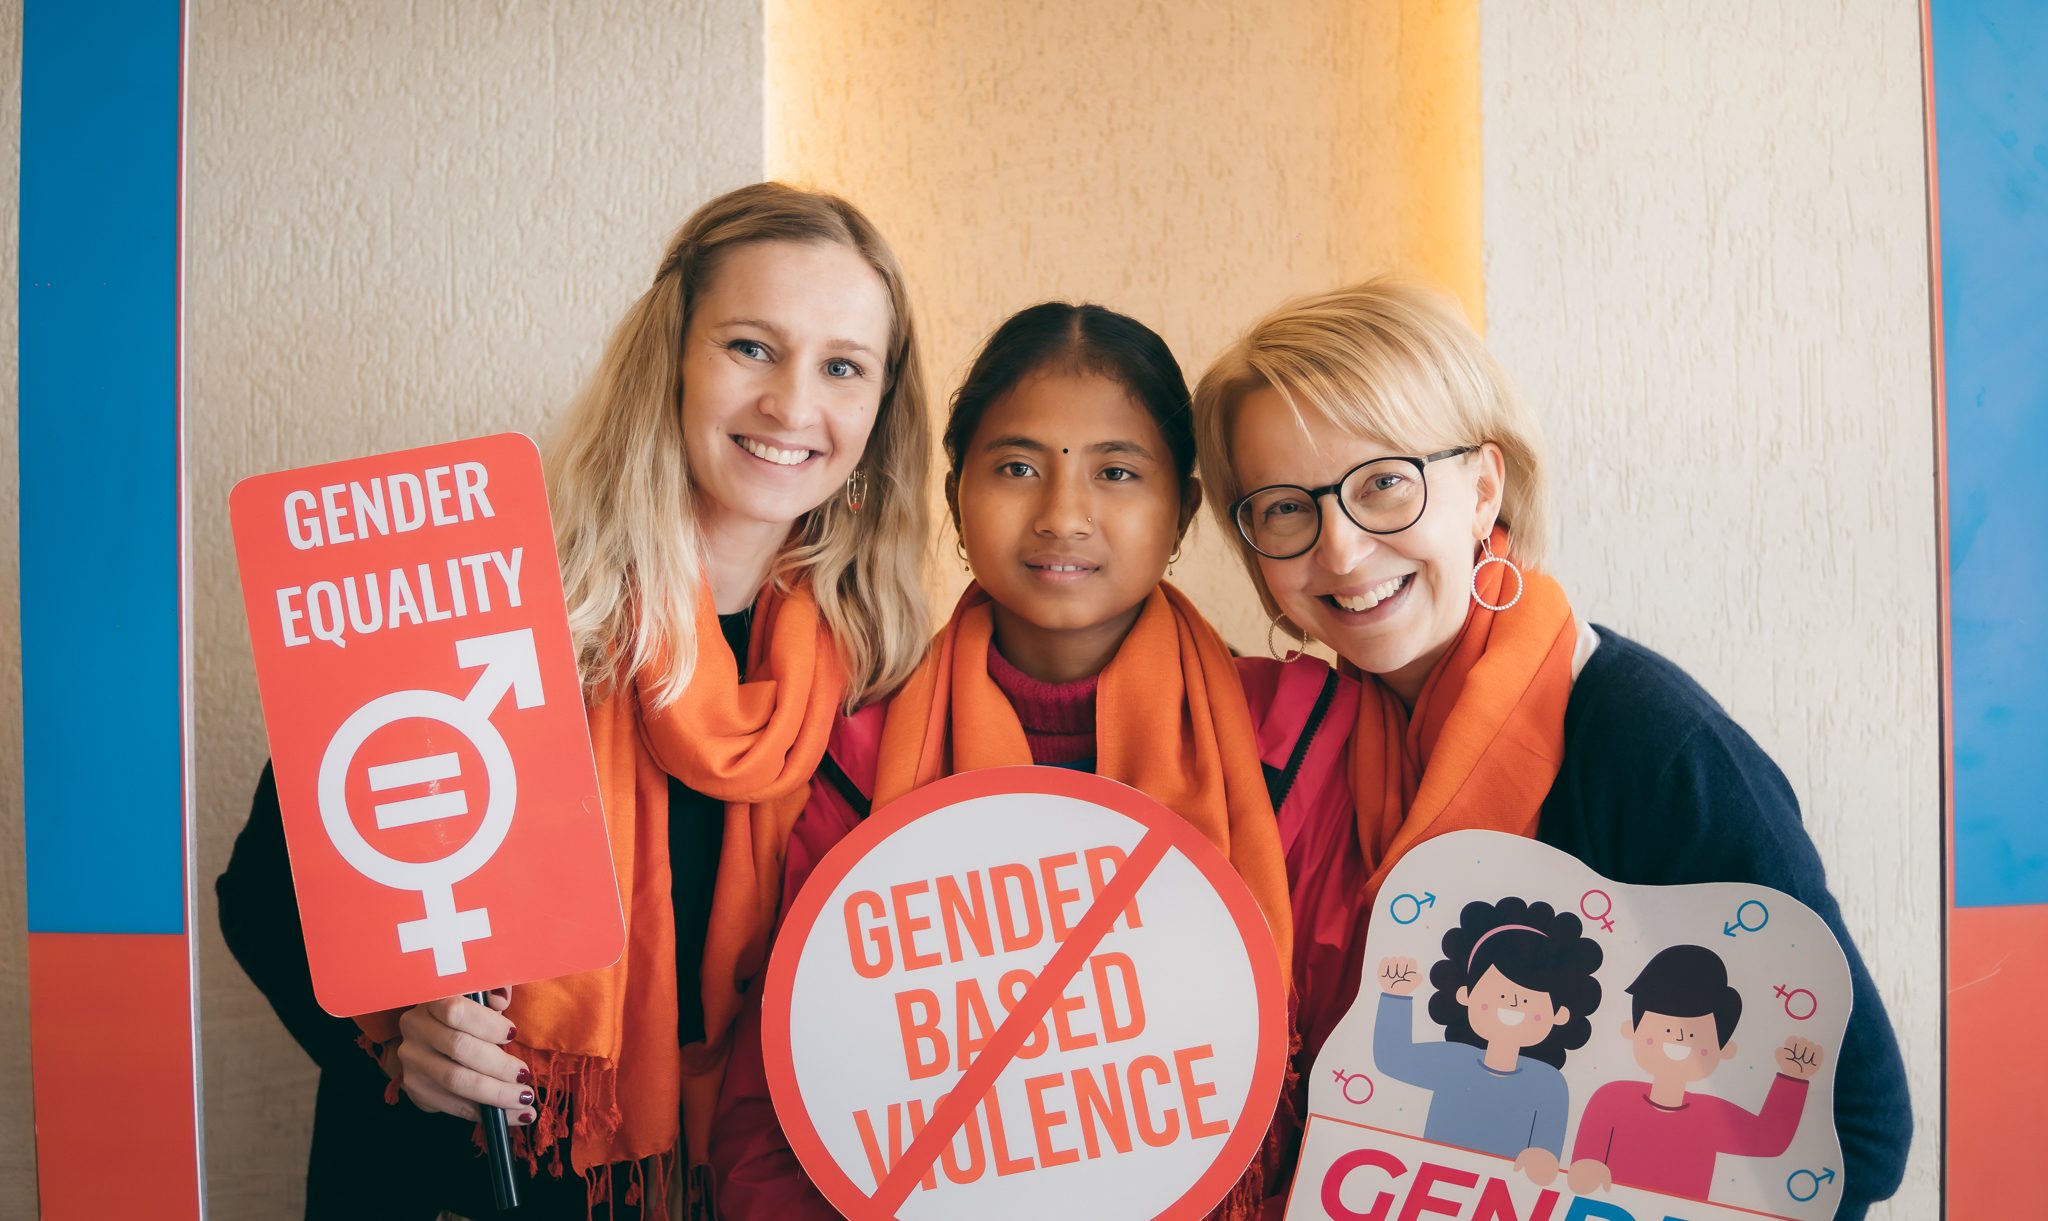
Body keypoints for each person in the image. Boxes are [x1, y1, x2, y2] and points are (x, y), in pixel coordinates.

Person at [216, 182, 934, 1219]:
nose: (791, 404)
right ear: (672, 357)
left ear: (878, 405)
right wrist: (393, 1040)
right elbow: (265, 896)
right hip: (464, 1184)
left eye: (840, 366)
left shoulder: (884, 670)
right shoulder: (488, 601)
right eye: (749, 347)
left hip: (747, 1188)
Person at [1190, 277, 1911, 1219]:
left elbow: (1858, 1132)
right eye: (1286, 507)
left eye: (1382, 485)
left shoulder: (1645, 742)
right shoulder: (1315, 743)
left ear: (1483, 486)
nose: (1341, 549)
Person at [709, 301, 1358, 1219]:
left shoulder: (1293, 732)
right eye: (1016, 467)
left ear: (1182, 512)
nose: (1063, 515)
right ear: (955, 500)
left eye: (1118, 471)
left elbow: (1356, 1074)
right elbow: (779, 1106)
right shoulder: (854, 747)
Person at [1568, 944, 1824, 1202]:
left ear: (1724, 1050)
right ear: (1631, 1031)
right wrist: (1586, 1172)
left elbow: (1768, 1140)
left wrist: (1793, 1079)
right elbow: (1582, 1166)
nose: (1678, 1037)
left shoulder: (1713, 1116)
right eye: (1665, 1030)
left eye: (1693, 1035)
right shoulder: (1611, 1099)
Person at [1372, 896, 1603, 1171]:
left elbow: (1546, 1158)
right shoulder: (1453, 1061)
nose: (1513, 1004)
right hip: (1432, 1181)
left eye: (1529, 1000)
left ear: (1559, 1014)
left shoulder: (1549, 1085)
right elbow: (1393, 1059)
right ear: (1465, 994)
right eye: (1501, 994)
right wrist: (1395, 998)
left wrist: (1539, 1164)